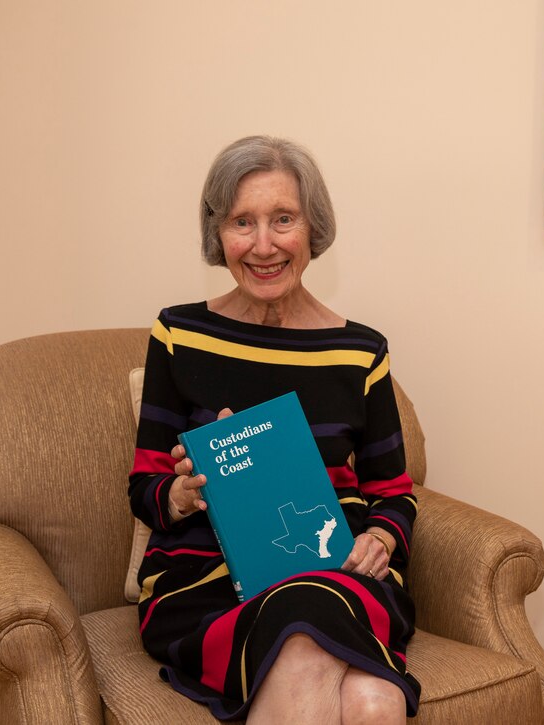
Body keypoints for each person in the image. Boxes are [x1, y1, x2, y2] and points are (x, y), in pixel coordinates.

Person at [128, 135, 419, 723]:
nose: (264, 245)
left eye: (282, 219)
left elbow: (395, 495)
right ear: (219, 234)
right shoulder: (178, 336)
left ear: (311, 227)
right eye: (243, 223)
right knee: (371, 693)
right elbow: (145, 488)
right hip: (206, 578)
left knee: (373, 697)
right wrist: (183, 493)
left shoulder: (360, 351)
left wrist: (381, 540)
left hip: (334, 569)